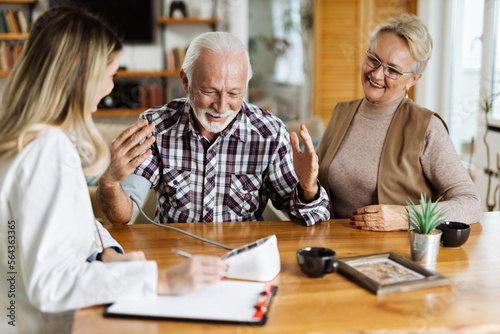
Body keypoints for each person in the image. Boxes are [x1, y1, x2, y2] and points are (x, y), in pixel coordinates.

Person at [0, 7, 227, 333]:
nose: (110, 87)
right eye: (110, 75)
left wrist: (106, 253)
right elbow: (48, 284)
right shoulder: (45, 149)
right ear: (82, 78)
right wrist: (160, 280)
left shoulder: (33, 139)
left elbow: (70, 223)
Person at [96, 31, 330, 226]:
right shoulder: (155, 127)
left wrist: (308, 189)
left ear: (246, 84)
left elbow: (312, 218)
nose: (221, 107)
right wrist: (110, 182)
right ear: (186, 81)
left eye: (234, 94)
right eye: (210, 91)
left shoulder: (270, 134)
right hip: (174, 258)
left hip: (242, 257)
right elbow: (122, 215)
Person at [316, 14, 482, 231]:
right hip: (336, 245)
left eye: (392, 70)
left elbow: (471, 203)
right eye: (373, 59)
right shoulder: (341, 112)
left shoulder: (427, 127)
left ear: (413, 79)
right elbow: (317, 187)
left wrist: (406, 217)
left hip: (395, 254)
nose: (376, 74)